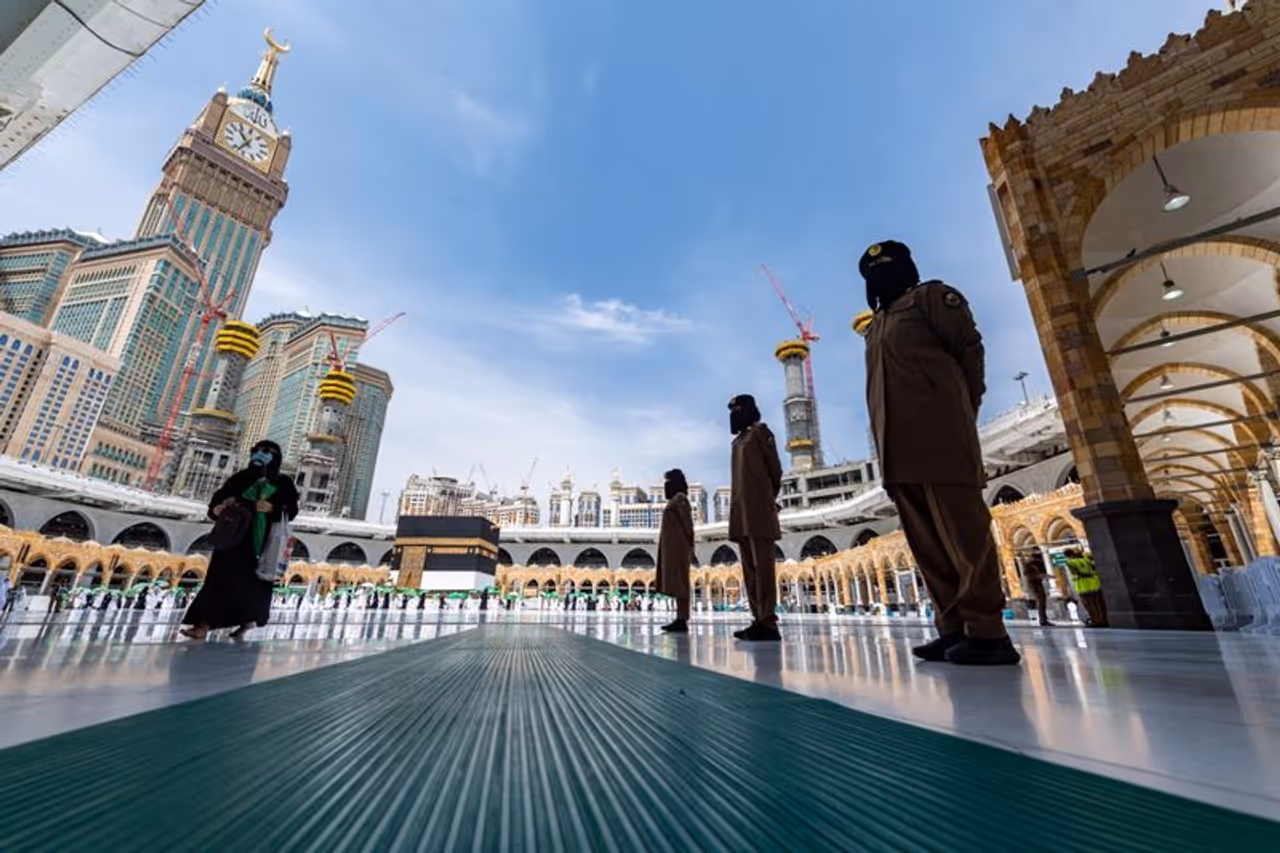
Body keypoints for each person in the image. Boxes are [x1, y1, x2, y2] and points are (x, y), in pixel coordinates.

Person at [856, 240, 1020, 666]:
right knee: (927, 543)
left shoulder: (931, 298)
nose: (877, 277)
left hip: (941, 437)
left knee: (964, 536)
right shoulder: (875, 326)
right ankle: (952, 628)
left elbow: (969, 351)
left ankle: (988, 631)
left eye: (884, 267)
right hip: (897, 450)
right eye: (870, 273)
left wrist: (962, 410)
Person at [180, 440, 298, 641]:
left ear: (275, 457)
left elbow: (291, 510)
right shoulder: (240, 478)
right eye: (256, 450)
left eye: (266, 451)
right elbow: (217, 501)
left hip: (261, 542)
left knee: (252, 584)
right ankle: (202, 624)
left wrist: (272, 508)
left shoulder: (282, 482)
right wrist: (217, 508)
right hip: (232, 538)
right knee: (218, 580)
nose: (259, 454)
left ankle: (247, 621)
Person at [727, 394, 784, 642]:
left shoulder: (761, 433)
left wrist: (765, 499)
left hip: (759, 509)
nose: (734, 414)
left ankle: (768, 622)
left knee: (763, 567)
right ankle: (757, 618)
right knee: (750, 568)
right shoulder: (737, 441)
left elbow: (775, 470)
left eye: (737, 409)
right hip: (741, 511)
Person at [656, 468, 696, 633]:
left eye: (668, 483)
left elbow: (688, 524)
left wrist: (690, 547)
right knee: (677, 582)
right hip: (673, 548)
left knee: (680, 582)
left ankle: (682, 619)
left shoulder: (680, 499)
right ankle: (680, 618)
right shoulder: (675, 500)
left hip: (679, 548)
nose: (665, 487)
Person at [1065, 547, 1108, 627]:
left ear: (1067, 556)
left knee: (1089, 605)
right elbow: (1095, 570)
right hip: (1095, 584)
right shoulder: (1087, 560)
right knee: (1098, 603)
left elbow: (1075, 573)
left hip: (1083, 586)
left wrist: (1082, 575)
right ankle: (1103, 620)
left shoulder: (1070, 563)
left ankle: (1096, 621)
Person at [1020, 551, 1053, 627]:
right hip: (1035, 586)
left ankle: (1044, 619)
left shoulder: (1033, 566)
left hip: (1038, 585)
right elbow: (1032, 576)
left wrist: (1044, 576)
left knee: (1042, 602)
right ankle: (1043, 620)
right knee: (1040, 603)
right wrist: (1043, 576)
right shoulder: (1028, 567)